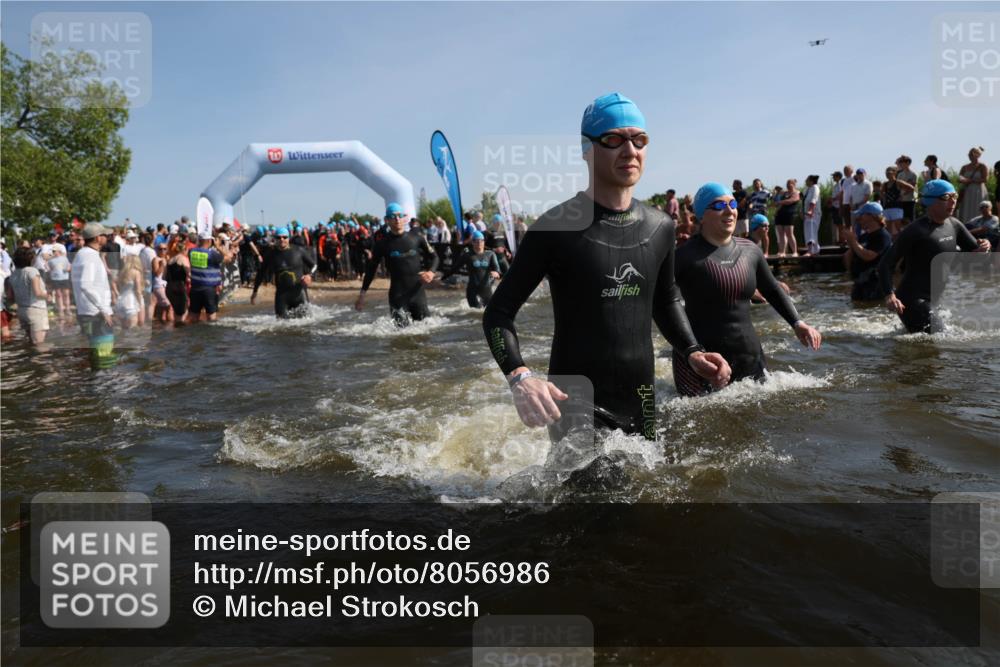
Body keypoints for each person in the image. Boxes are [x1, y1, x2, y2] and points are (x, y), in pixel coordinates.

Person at [482, 93, 731, 442]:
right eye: (614, 139)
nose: (630, 150)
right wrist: (520, 377)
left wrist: (692, 351)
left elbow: (666, 300)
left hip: (643, 398)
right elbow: (498, 313)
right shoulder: (555, 227)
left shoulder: (661, 226)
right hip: (575, 400)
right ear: (587, 150)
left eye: (639, 139)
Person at [672, 183, 821, 396]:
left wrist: (798, 323)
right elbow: (662, 303)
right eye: (718, 205)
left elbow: (772, 290)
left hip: (749, 355)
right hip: (703, 361)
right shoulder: (683, 256)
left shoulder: (750, 251)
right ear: (701, 215)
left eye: (732, 204)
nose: (729, 210)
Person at [878, 179, 990, 333]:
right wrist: (889, 295)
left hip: (933, 300)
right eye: (946, 197)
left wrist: (985, 245)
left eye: (955, 196)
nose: (953, 201)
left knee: (932, 345)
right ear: (929, 202)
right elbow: (885, 264)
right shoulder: (915, 230)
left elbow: (975, 253)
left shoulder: (954, 225)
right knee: (942, 339)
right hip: (910, 300)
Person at [355, 203, 438, 326]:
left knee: (426, 333)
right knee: (400, 338)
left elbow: (435, 257)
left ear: (405, 218)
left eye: (400, 216)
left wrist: (431, 272)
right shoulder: (382, 244)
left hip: (418, 295)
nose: (397, 219)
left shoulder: (417, 237)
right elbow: (371, 269)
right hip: (398, 297)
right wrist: (362, 295)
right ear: (386, 220)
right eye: (393, 216)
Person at [71, 222, 117, 369]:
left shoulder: (82, 254)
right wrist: (103, 309)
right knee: (104, 355)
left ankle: (96, 385)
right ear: (98, 238)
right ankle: (104, 387)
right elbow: (86, 285)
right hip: (96, 313)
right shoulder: (89, 256)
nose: (107, 237)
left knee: (96, 355)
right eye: (105, 235)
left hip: (87, 311)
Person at [251, 227, 315, 318]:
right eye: (279, 237)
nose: (282, 240)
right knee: (281, 327)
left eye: (285, 237)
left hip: (299, 294)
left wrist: (309, 275)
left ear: (289, 238)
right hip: (282, 297)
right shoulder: (270, 254)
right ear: (275, 239)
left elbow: (314, 265)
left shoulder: (298, 250)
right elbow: (261, 273)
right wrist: (255, 292)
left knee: (307, 324)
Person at [843, 202, 892, 301]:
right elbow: (849, 256)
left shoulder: (883, 236)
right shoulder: (864, 236)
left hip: (875, 285)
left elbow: (869, 256)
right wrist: (852, 244)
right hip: (860, 283)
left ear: (872, 216)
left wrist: (853, 241)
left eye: (862, 215)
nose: (859, 218)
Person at [440, 230, 501, 308]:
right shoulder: (467, 256)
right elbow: (454, 269)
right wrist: (442, 278)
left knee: (489, 312)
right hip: (472, 291)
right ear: (472, 242)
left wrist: (496, 272)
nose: (479, 243)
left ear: (484, 242)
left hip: (486, 289)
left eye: (481, 241)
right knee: (474, 314)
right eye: (476, 241)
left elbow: (497, 268)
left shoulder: (490, 254)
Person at [8, 246, 50, 345]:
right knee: (39, 344)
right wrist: (48, 296)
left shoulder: (13, 274)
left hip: (22, 311)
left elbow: (10, 296)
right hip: (36, 310)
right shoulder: (32, 271)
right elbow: (38, 292)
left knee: (30, 342)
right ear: (31, 258)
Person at [186, 232, 230, 324]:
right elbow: (228, 257)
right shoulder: (212, 254)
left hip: (195, 288)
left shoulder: (191, 252)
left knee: (194, 316)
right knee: (211, 317)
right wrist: (218, 247)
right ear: (210, 241)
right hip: (209, 289)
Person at [958, 146, 988, 223]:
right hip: (967, 191)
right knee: (966, 208)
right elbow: (959, 178)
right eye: (969, 154)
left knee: (977, 208)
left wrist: (970, 180)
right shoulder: (964, 167)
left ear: (978, 155)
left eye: (972, 154)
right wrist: (962, 180)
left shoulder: (982, 166)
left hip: (978, 191)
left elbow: (985, 179)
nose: (970, 156)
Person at [165, 236, 190, 322]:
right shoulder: (183, 259)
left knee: (176, 311)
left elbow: (164, 276)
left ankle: (175, 332)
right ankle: (180, 332)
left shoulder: (170, 260)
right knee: (182, 311)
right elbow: (189, 274)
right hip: (179, 286)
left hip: (169, 288)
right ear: (184, 250)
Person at [115, 255, 144, 328]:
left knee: (124, 328)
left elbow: (114, 283)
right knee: (133, 329)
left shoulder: (122, 273)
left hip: (121, 301)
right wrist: (140, 303)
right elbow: (138, 290)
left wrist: (115, 293)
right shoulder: (136, 272)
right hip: (131, 301)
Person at [774, 178, 800, 257]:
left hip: (789, 215)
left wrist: (781, 202)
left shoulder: (796, 193)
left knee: (790, 234)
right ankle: (782, 252)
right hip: (780, 215)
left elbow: (792, 200)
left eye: (790, 184)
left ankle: (795, 252)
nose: (788, 185)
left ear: (794, 184)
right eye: (787, 184)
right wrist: (776, 211)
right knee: (781, 234)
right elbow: (779, 204)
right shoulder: (784, 194)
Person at [46, 245, 72, 316]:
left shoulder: (64, 258)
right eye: (52, 251)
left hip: (64, 278)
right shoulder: (50, 260)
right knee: (58, 295)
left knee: (66, 294)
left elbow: (69, 266)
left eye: (55, 251)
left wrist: (68, 269)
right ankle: (61, 310)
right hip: (55, 279)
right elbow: (48, 268)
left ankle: (68, 309)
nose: (54, 252)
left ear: (59, 251)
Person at [880, 166, 904, 237]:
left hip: (896, 207)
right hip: (887, 208)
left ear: (894, 173)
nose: (887, 174)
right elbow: (881, 193)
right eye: (886, 173)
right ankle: (891, 245)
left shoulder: (898, 182)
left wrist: (902, 195)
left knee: (898, 227)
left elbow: (911, 188)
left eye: (889, 172)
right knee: (887, 229)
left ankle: (903, 242)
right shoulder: (885, 184)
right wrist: (884, 199)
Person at [895, 155, 918, 225]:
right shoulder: (900, 175)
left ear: (908, 163)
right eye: (900, 162)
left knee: (911, 218)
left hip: (910, 200)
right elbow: (898, 187)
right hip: (901, 200)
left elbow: (913, 187)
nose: (901, 163)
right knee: (902, 219)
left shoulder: (913, 174)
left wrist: (905, 190)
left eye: (903, 162)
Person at [802, 175, 822, 256]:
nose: (805, 181)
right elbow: (803, 200)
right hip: (807, 214)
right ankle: (816, 250)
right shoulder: (807, 189)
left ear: (811, 180)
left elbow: (814, 199)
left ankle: (810, 251)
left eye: (807, 179)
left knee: (811, 232)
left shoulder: (815, 187)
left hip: (813, 214)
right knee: (808, 231)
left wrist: (810, 210)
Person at [838, 165, 855, 244]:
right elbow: (842, 193)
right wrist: (840, 206)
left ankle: (855, 240)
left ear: (851, 170)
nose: (845, 171)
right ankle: (848, 240)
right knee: (847, 224)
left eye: (847, 170)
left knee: (854, 223)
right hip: (845, 204)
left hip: (853, 204)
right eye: (844, 170)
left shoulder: (855, 178)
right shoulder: (844, 180)